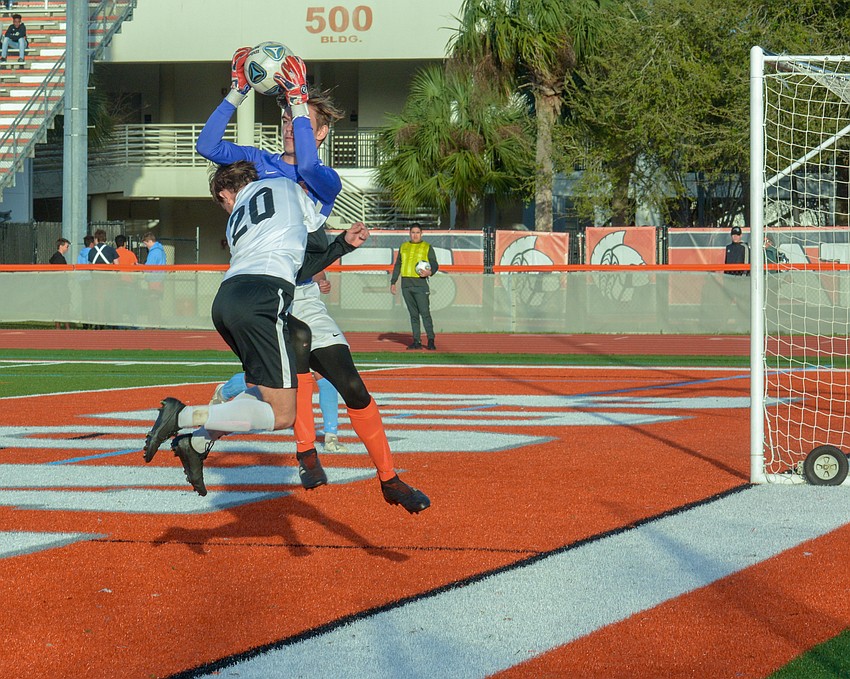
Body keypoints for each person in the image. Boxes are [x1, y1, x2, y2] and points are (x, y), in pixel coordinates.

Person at [198, 50, 430, 513]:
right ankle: (306, 453)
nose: (290, 122)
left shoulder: (324, 178)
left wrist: (300, 99)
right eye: (286, 115)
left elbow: (306, 170)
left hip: (297, 291)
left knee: (353, 387)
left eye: (300, 118)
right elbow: (208, 146)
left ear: (321, 132)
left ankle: (389, 479)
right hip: (265, 286)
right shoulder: (261, 162)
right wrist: (238, 91)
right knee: (295, 366)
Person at [143, 161, 368, 495]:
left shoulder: (239, 220)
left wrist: (340, 246)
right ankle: (183, 416)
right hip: (264, 298)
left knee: (266, 388)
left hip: (226, 301)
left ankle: (198, 442)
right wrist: (341, 242)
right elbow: (313, 237)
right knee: (283, 415)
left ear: (226, 194)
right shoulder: (285, 188)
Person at [390, 223, 439, 350]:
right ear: (409, 233)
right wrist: (393, 282)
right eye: (413, 232)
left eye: (417, 232)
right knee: (413, 314)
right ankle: (416, 341)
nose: (415, 235)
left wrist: (430, 272)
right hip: (406, 285)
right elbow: (398, 265)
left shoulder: (427, 247)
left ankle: (431, 340)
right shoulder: (404, 247)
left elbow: (434, 264)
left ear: (421, 233)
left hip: (420, 285)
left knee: (425, 313)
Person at [49, 238, 71, 329]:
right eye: (67, 246)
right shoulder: (59, 258)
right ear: (61, 246)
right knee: (64, 306)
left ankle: (60, 326)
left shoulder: (55, 257)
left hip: (57, 286)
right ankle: (66, 326)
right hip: (60, 286)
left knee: (59, 306)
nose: (67, 248)